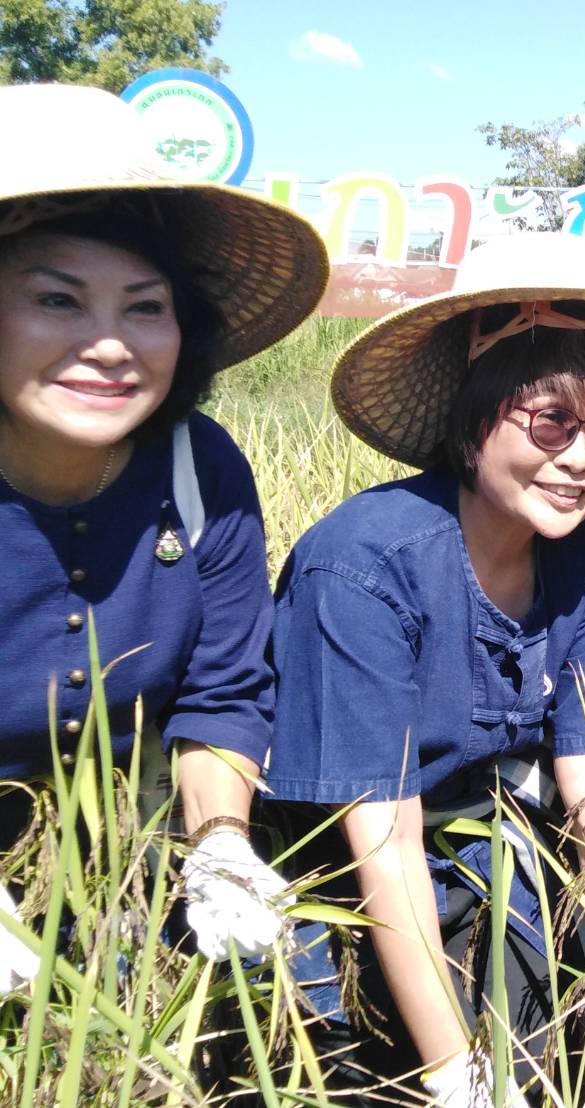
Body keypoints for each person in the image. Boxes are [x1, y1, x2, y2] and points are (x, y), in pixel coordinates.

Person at [265, 232, 585, 1106]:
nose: (580, 460)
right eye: (550, 420)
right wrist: (457, 1071)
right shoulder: (364, 566)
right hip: (344, 881)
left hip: (492, 859)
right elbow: (383, 843)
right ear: (474, 416)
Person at [0, 83, 329, 991]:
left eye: (145, 307)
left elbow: (223, 687)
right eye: (58, 299)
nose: (111, 345)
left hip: (120, 839)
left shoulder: (198, 465)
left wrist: (219, 842)